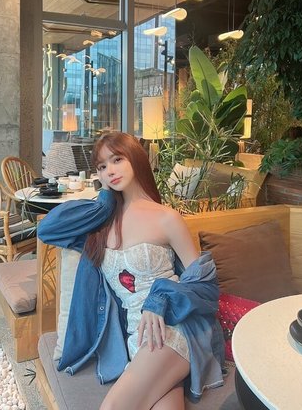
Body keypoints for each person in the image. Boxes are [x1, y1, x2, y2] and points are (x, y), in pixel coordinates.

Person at [38, 132, 224, 410]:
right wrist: (104, 202)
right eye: (102, 166)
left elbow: (205, 285)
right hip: (136, 338)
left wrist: (159, 299)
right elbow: (47, 230)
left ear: (135, 159)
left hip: (173, 327)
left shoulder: (167, 218)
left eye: (117, 160)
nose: (110, 171)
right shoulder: (101, 225)